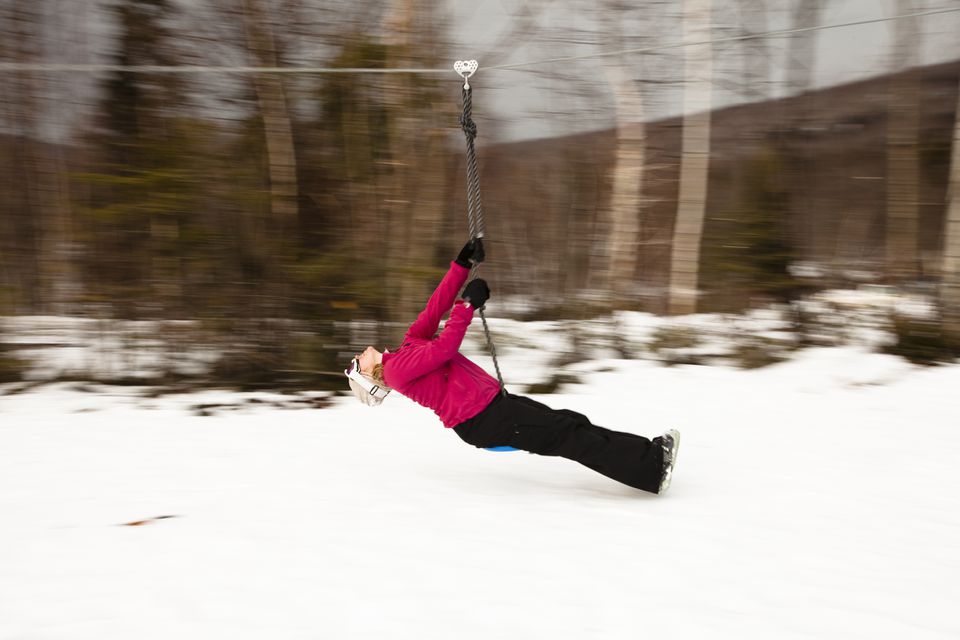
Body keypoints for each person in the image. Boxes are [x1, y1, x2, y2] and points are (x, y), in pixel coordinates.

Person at [344, 239, 680, 494]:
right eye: (355, 363)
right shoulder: (397, 373)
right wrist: (468, 305)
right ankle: (650, 468)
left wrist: (461, 265)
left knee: (572, 423)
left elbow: (435, 306)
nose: (357, 355)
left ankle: (649, 457)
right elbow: (445, 349)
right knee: (568, 435)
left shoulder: (407, 347)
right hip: (483, 420)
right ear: (367, 375)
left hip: (494, 406)